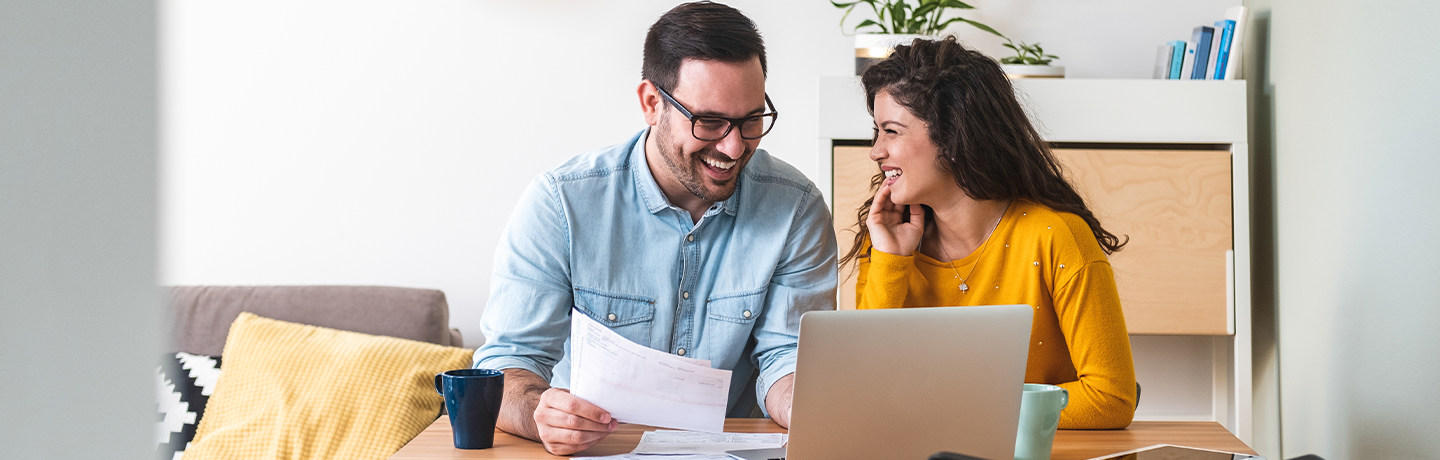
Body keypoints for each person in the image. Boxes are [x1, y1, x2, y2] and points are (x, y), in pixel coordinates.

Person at [472, 2, 837, 455]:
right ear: (651, 103)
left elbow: (786, 358)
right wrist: (541, 413)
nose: (734, 145)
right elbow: (508, 366)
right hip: (595, 451)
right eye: (709, 122)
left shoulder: (796, 207)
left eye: (750, 120)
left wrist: (812, 405)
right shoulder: (561, 203)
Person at [843, 36, 1137, 429]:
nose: (875, 151)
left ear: (952, 136)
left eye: (891, 131)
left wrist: (968, 409)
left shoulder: (1056, 235)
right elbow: (864, 392)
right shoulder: (884, 242)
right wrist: (892, 262)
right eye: (876, 131)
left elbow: (1111, 397)